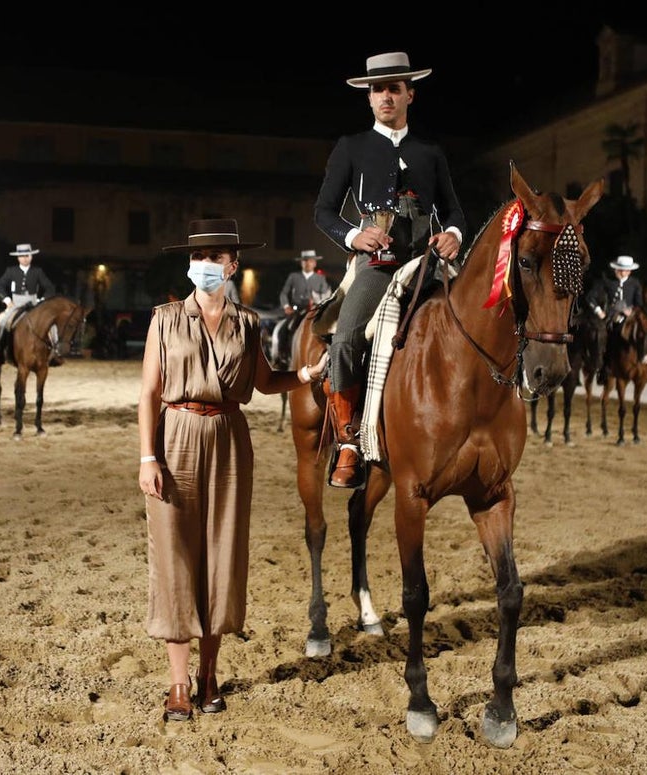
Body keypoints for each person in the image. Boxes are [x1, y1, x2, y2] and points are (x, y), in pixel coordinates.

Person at [137, 218, 328, 722]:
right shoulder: (165, 318)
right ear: (189, 263)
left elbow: (264, 383)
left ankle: (208, 675)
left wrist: (306, 375)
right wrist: (146, 457)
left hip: (229, 441)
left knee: (221, 556)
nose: (205, 266)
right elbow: (149, 394)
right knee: (175, 554)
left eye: (216, 258)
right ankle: (177, 684)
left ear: (232, 264)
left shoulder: (248, 322)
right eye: (198, 258)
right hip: (175, 435)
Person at [314, 51, 465, 488]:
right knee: (344, 338)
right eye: (378, 89)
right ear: (369, 98)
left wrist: (453, 232)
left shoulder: (430, 152)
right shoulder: (351, 147)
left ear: (409, 95)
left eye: (394, 89)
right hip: (377, 264)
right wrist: (352, 237)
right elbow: (323, 211)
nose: (386, 96)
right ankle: (347, 441)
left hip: (426, 263)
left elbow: (454, 210)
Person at [0, 242, 59, 364]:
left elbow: (50, 288)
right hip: (16, 304)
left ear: (31, 256)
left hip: (33, 304)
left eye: (27, 255)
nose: (25, 258)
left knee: (51, 324)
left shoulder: (37, 271)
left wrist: (41, 301)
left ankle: (54, 352)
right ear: (18, 258)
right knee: (3, 321)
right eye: (22, 256)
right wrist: (7, 300)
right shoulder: (11, 271)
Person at [587, 255, 644, 384]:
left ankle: (643, 363)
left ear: (629, 271)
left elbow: (639, 304)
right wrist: (599, 312)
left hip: (630, 318)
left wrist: (632, 311)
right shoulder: (607, 281)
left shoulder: (635, 284)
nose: (618, 272)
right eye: (618, 269)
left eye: (622, 270)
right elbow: (590, 297)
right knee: (605, 338)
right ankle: (604, 369)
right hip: (612, 319)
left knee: (646, 333)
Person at [279, 249, 332, 318]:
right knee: (286, 326)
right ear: (301, 263)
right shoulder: (293, 276)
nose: (308, 263)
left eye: (311, 261)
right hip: (296, 311)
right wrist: (286, 306)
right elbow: (284, 293)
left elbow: (326, 295)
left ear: (315, 263)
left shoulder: (321, 278)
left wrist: (317, 300)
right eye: (305, 260)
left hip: (315, 311)